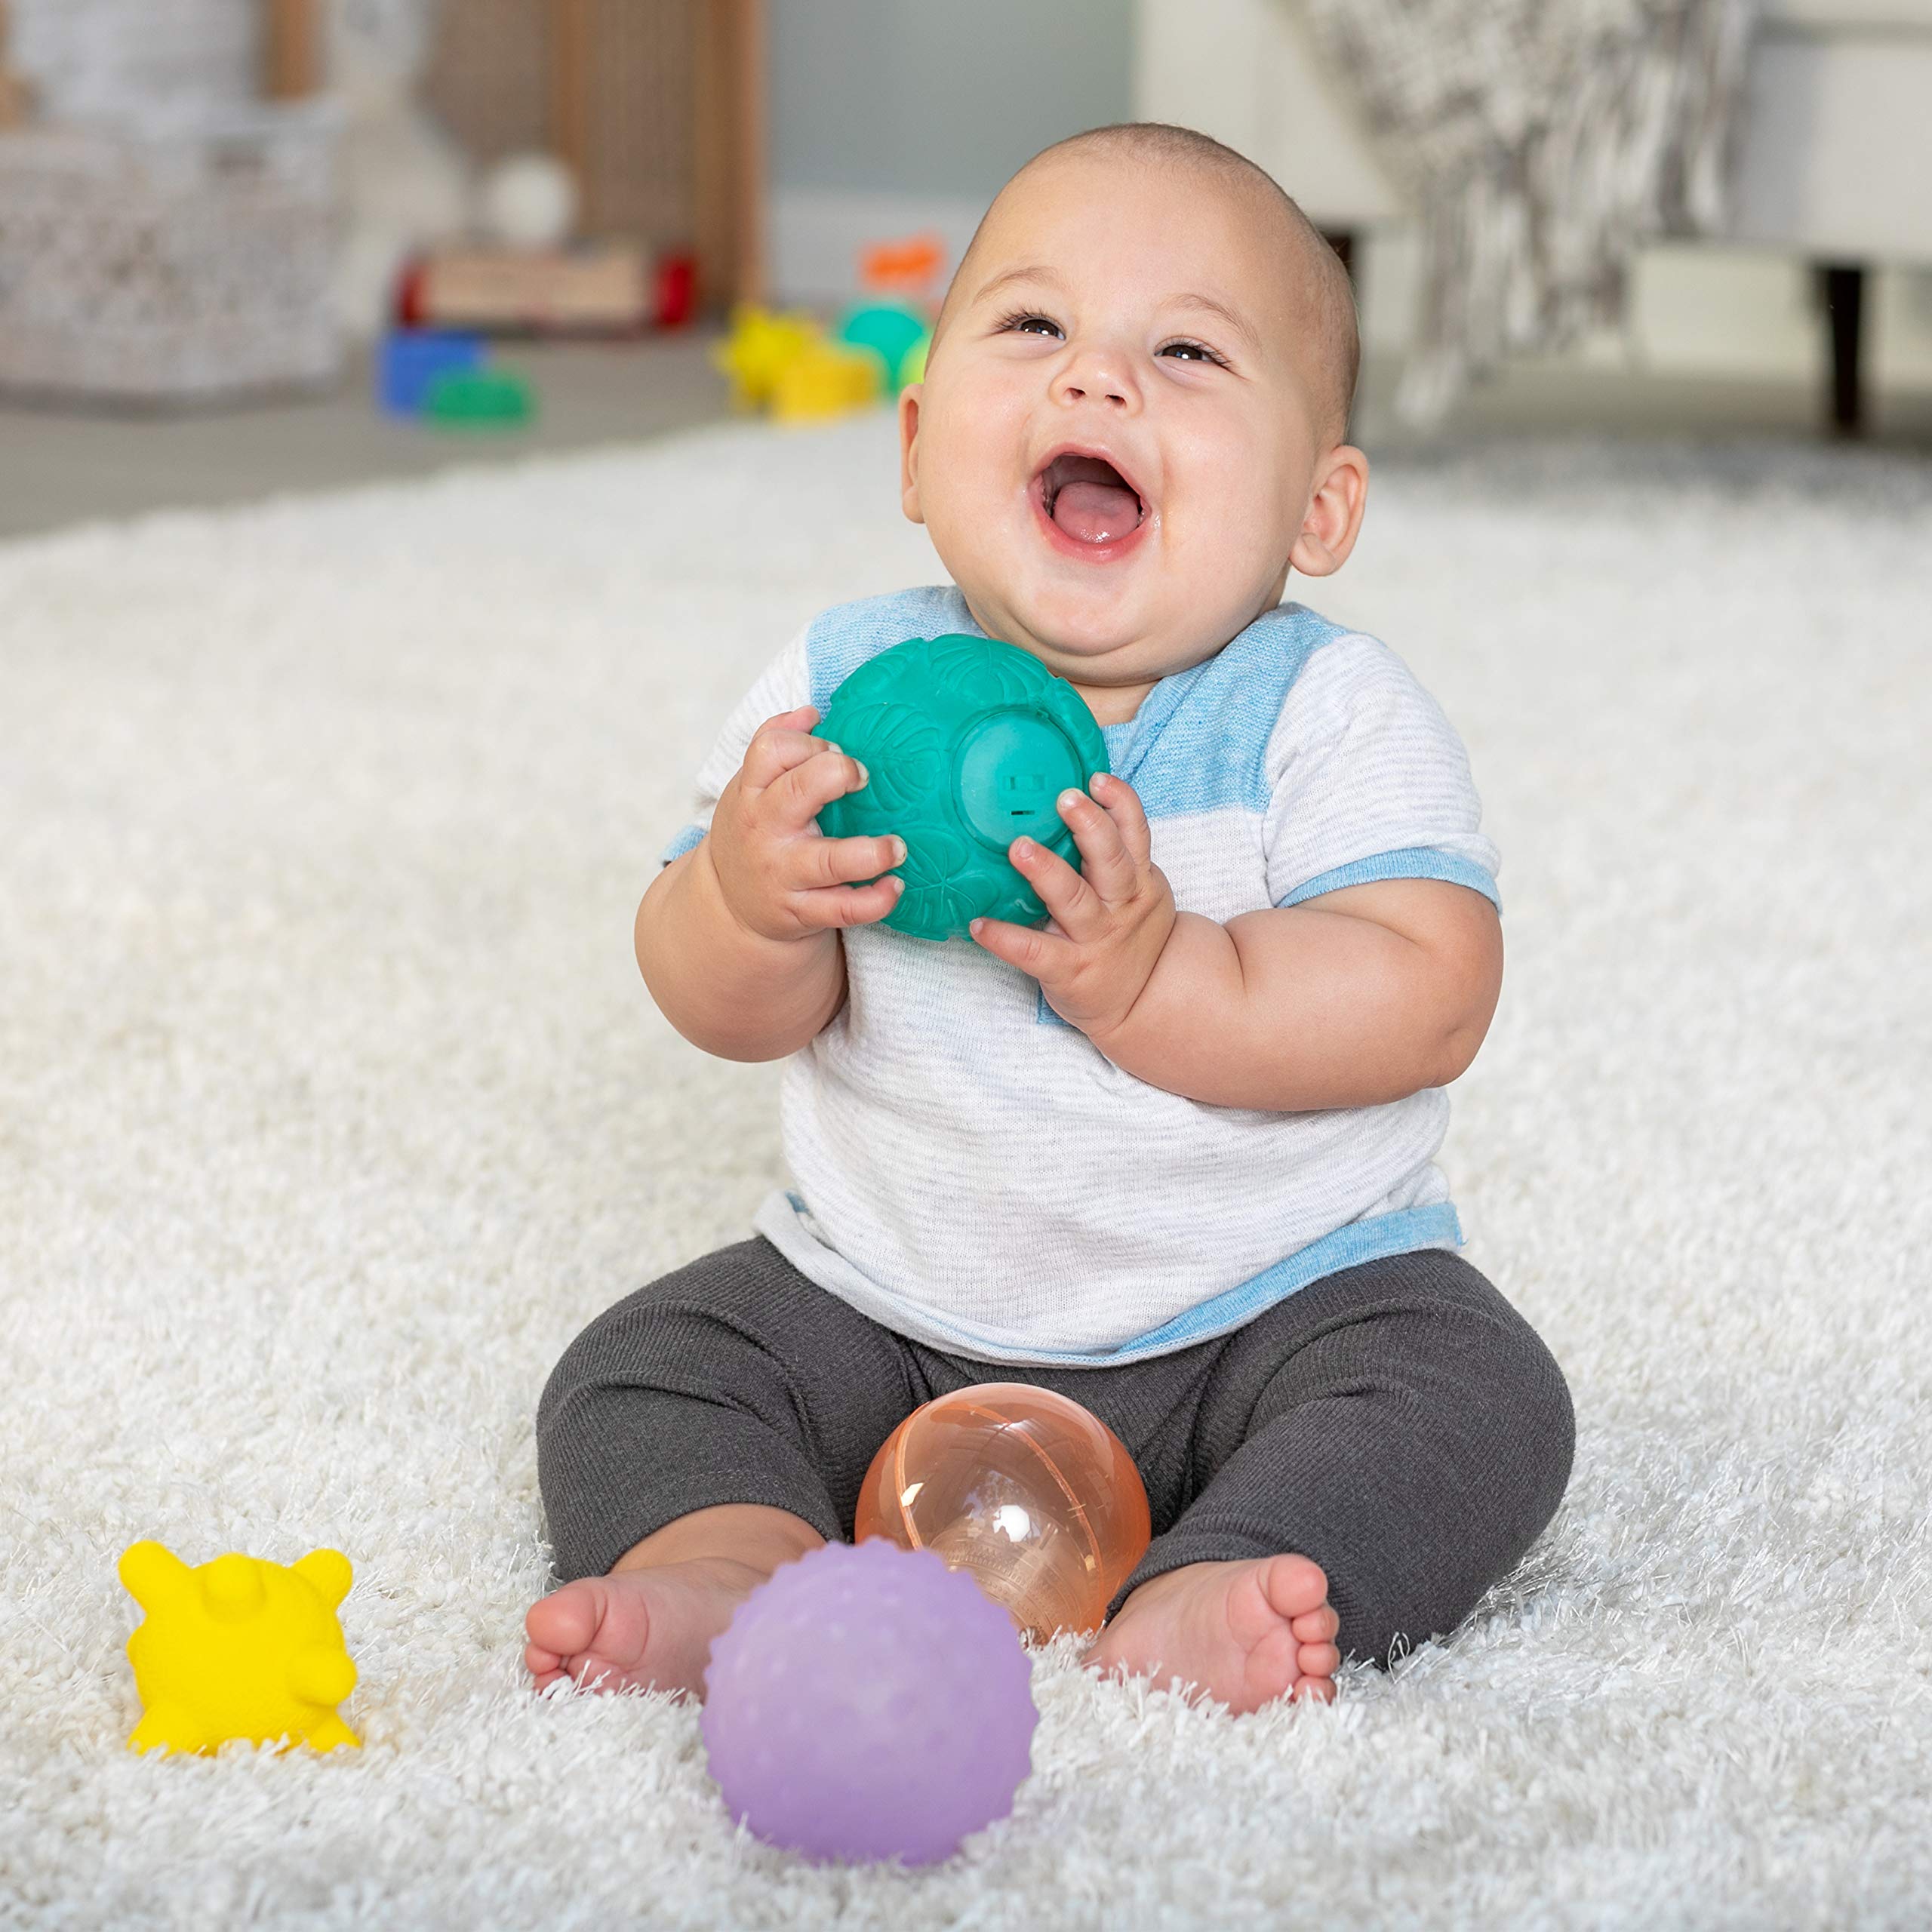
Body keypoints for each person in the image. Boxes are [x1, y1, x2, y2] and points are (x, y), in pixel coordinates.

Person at [525, 122, 1574, 1715]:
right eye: (1030, 327)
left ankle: (1227, 1563)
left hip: (1274, 1309)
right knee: (640, 1366)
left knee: (1479, 1394)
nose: (1093, 380)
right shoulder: (841, 689)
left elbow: (1428, 993)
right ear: (913, 442)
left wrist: (1162, 974)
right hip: (885, 1304)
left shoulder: (1322, 709)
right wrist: (747, 898)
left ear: (1316, 506)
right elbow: (723, 1002)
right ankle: (728, 1562)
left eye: (1184, 349)